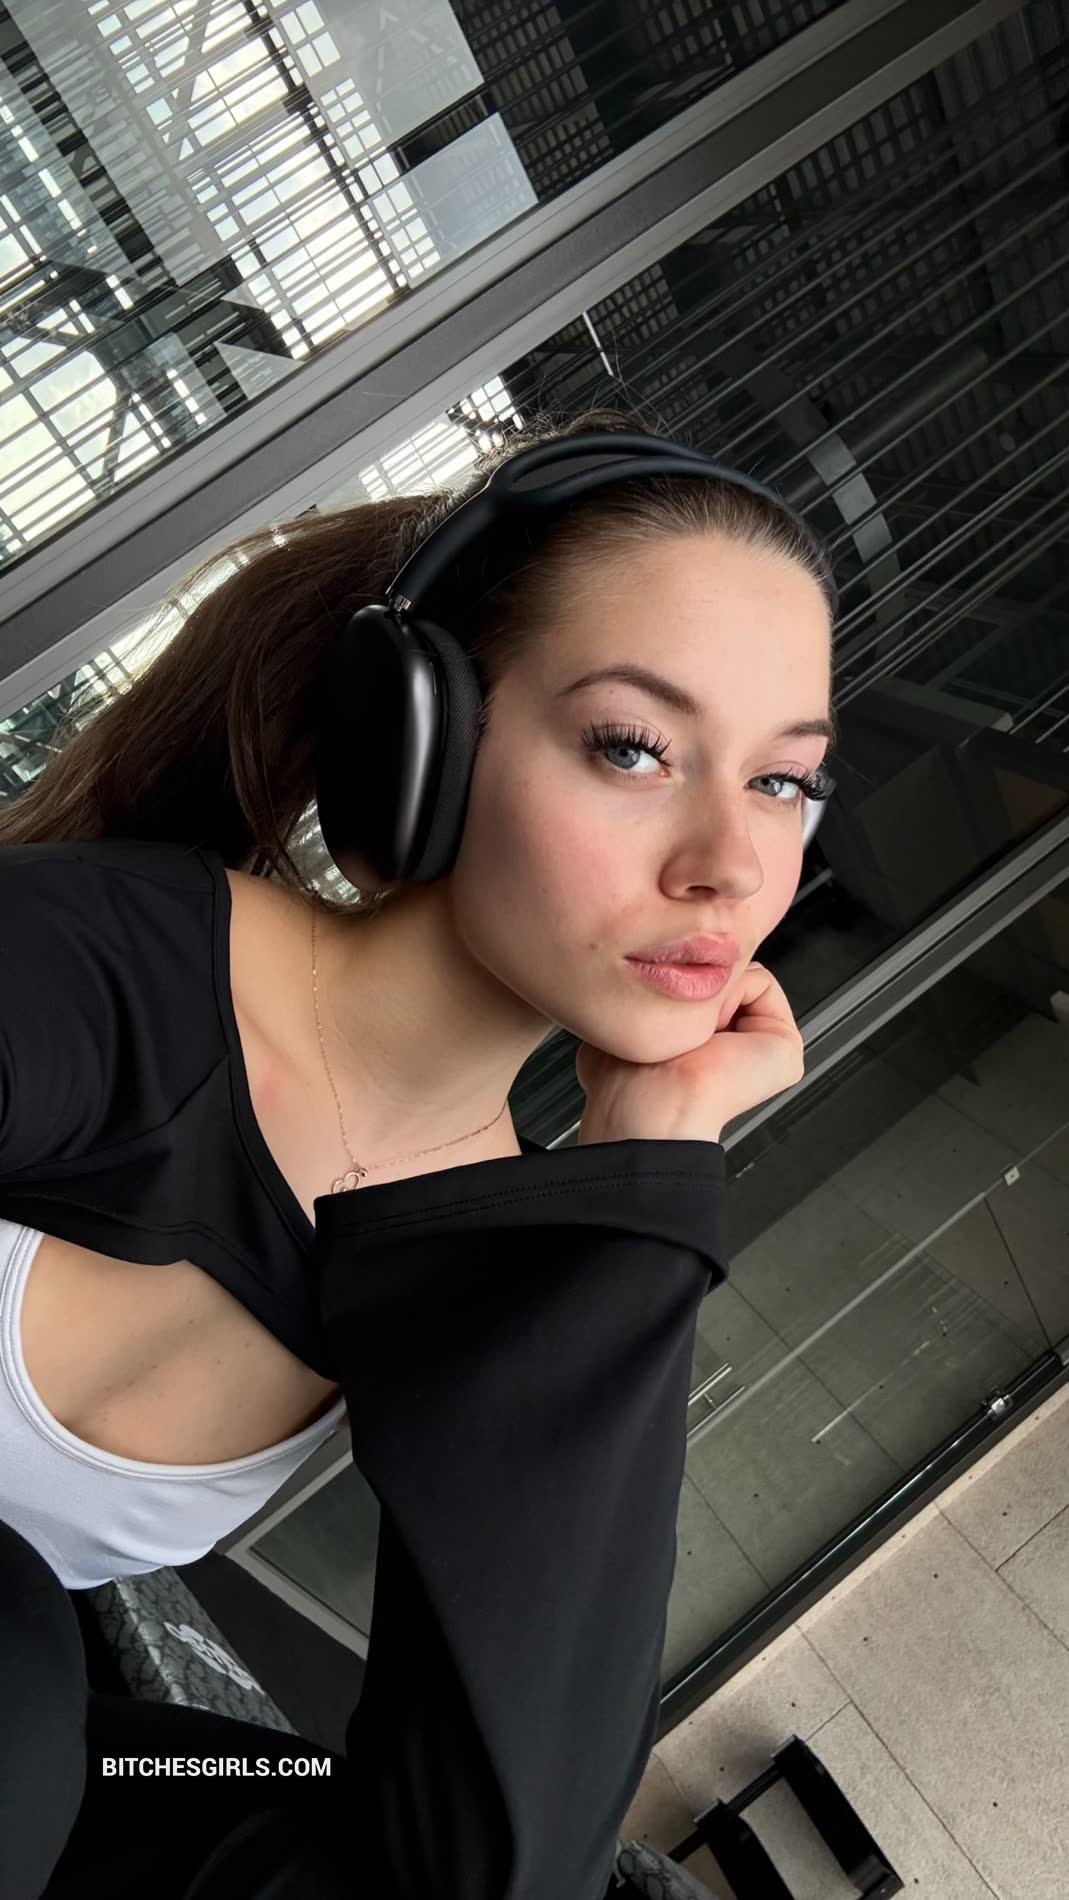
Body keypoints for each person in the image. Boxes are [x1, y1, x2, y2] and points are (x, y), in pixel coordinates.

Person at [0, 408, 837, 1900]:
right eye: (634, 748)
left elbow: (489, 1868)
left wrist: (642, 1173)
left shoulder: (480, 1256)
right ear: (424, 740)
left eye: (782, 782)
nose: (729, 864)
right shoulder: (104, 958)